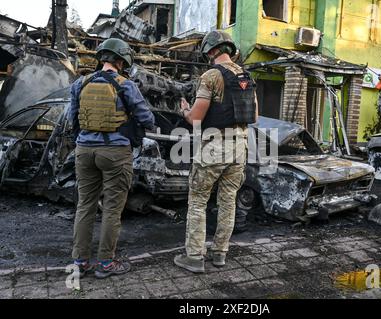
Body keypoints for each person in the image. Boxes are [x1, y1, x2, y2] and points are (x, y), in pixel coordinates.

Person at [69, 38, 155, 279]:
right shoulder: (125, 85)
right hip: (115, 153)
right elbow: (147, 119)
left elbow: (71, 119)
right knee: (111, 209)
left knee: (84, 206)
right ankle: (105, 263)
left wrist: (84, 138)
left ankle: (80, 262)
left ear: (101, 58)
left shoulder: (80, 83)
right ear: (121, 61)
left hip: (84, 151)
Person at [174, 30, 258, 273]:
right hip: (240, 145)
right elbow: (253, 116)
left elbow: (197, 118)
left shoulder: (211, 76)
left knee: (198, 201)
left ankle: (194, 257)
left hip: (215, 145)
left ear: (211, 51)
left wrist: (184, 110)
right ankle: (220, 253)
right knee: (228, 201)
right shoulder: (247, 76)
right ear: (229, 49)